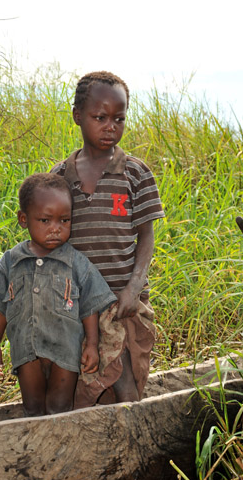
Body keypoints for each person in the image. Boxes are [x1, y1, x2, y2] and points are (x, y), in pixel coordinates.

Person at [51, 71, 165, 408]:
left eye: (119, 118)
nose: (110, 126)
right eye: (100, 118)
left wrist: (134, 287)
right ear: (77, 117)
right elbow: (52, 240)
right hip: (78, 306)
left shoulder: (135, 173)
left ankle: (133, 444)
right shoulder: (59, 178)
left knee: (126, 385)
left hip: (120, 303)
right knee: (80, 389)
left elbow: (146, 236)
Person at [0, 173, 116, 417]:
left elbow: (89, 306)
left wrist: (91, 344)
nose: (55, 229)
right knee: (34, 407)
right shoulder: (10, 262)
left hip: (65, 349)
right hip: (26, 349)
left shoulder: (76, 263)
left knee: (59, 407)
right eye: (45, 220)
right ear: (23, 219)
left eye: (64, 221)